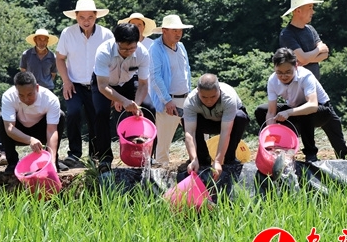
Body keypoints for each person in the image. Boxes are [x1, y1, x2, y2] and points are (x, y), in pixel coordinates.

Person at [254, 48, 347, 162]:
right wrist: (272, 135)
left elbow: (312, 105)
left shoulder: (305, 76)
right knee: (261, 111)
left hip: (321, 110)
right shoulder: (272, 80)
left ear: (296, 66)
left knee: (341, 149)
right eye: (279, 72)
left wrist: (288, 112)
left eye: (288, 72)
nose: (283, 76)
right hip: (295, 109)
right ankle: (278, 146)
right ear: (274, 67)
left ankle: (311, 154)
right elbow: (271, 112)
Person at [56, 0, 113, 167]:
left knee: (97, 118)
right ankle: (74, 153)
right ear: (76, 17)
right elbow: (60, 58)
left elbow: (113, 62)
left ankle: (94, 155)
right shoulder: (68, 33)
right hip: (74, 83)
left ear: (96, 16)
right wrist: (66, 81)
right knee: (73, 113)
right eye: (82, 17)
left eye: (90, 17)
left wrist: (110, 89)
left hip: (98, 84)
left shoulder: (106, 35)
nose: (86, 21)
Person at [91, 23, 155, 172]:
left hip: (127, 82)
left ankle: (147, 155)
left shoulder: (142, 53)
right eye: (124, 49)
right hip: (104, 83)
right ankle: (105, 158)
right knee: (101, 113)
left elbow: (143, 84)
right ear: (116, 42)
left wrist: (135, 105)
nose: (128, 52)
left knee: (149, 108)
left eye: (132, 48)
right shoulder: (104, 51)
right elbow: (102, 86)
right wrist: (122, 100)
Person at [183, 73, 250, 180]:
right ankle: (202, 159)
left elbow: (225, 132)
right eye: (204, 97)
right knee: (185, 120)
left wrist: (218, 161)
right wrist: (193, 158)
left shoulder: (228, 98)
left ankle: (230, 158)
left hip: (228, 123)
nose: (209, 101)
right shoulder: (191, 101)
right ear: (198, 92)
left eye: (213, 96)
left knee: (240, 117)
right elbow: (190, 133)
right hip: (206, 122)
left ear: (219, 90)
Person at [0, 71, 65, 173]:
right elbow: (9, 128)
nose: (26, 99)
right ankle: (12, 163)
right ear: (16, 90)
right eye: (21, 95)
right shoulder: (8, 96)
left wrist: (52, 162)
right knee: (1, 120)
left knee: (61, 115)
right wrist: (30, 140)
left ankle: (51, 160)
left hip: (42, 132)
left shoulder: (50, 99)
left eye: (30, 94)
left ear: (37, 88)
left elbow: (52, 131)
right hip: (18, 133)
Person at [148, 14, 194, 166]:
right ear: (164, 31)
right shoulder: (155, 48)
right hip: (169, 101)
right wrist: (167, 101)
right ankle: (161, 173)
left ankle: (198, 166)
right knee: (164, 143)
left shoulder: (181, 47)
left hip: (186, 98)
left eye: (180, 30)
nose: (178, 33)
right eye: (174, 30)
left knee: (197, 135)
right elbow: (155, 77)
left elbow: (186, 71)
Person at [280, 0, 329, 80]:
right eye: (310, 8)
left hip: (315, 83)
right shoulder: (287, 34)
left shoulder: (310, 29)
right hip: (297, 85)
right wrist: (318, 49)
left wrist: (306, 59)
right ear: (298, 11)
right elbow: (304, 58)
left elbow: (325, 54)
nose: (313, 12)